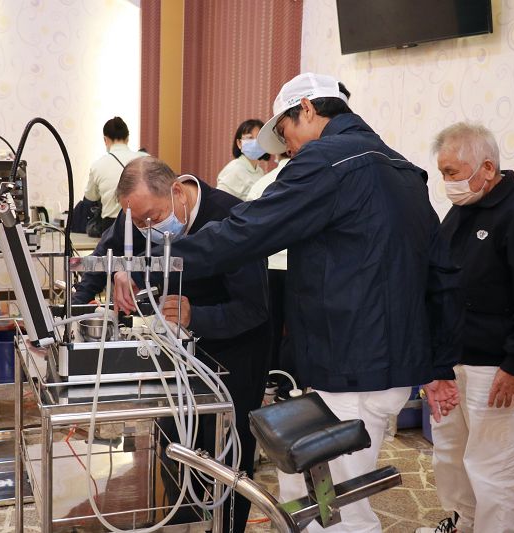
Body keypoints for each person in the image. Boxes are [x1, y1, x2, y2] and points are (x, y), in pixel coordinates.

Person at [117, 73, 464, 533]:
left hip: (352, 367)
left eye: (284, 134)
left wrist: (158, 262)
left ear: (307, 109)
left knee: (336, 513)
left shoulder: (327, 160)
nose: (285, 150)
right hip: (383, 367)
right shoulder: (400, 167)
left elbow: (248, 230)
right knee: (307, 496)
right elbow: (439, 274)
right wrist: (438, 364)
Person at [73, 156, 270, 533]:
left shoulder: (231, 219)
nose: (146, 229)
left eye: (153, 217)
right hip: (178, 352)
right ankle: (182, 519)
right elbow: (102, 257)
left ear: (178, 191)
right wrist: (102, 285)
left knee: (227, 457)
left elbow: (254, 310)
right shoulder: (137, 213)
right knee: (174, 444)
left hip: (235, 352)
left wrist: (196, 316)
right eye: (138, 223)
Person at [418, 123, 514, 533]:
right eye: (443, 173)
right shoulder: (462, 210)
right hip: (451, 360)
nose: (447, 182)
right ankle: (464, 522)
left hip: (495, 366)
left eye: (452, 172)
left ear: (486, 167)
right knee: (450, 454)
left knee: (493, 462)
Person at [246, 151, 291, 388]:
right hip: (296, 265)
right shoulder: (310, 180)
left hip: (268, 264)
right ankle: (290, 385)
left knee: (271, 325)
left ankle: (269, 379)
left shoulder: (263, 183)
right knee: (295, 328)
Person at [83, 117, 147, 233]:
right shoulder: (145, 159)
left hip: (111, 227)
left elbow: (90, 197)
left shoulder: (97, 165)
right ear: (128, 138)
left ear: (105, 140)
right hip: (142, 224)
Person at [215, 119, 267, 200]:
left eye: (259, 138)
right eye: (250, 137)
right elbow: (219, 200)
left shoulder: (260, 171)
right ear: (239, 143)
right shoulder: (233, 169)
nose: (255, 142)